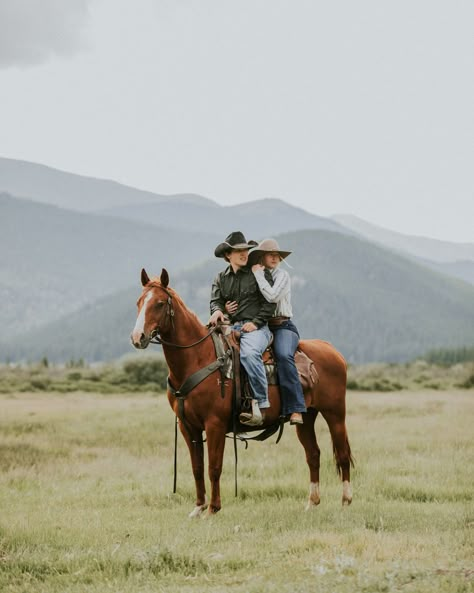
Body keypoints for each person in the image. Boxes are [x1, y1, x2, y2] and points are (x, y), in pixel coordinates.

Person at [209, 231, 276, 426]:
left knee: (248, 354)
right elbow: (215, 302)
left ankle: (261, 404)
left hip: (257, 328)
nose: (244, 254)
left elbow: (270, 303)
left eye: (246, 250)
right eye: (239, 251)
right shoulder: (220, 278)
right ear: (227, 255)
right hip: (229, 327)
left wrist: (255, 322)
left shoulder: (259, 273)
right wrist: (218, 311)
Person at [246, 238, 306, 425]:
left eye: (277, 255)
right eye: (270, 254)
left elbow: (272, 296)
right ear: (261, 258)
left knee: (283, 355)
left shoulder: (282, 276)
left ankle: (295, 408)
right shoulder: (253, 276)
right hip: (261, 325)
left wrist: (257, 275)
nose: (274, 257)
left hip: (282, 325)